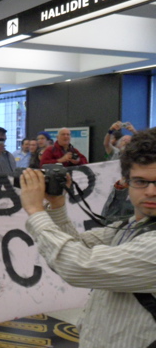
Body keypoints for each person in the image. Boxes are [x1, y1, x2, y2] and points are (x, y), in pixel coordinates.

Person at [19, 127, 156, 347]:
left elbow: (79, 266)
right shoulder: (130, 227)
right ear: (125, 182)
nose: (150, 191)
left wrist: (36, 212)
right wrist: (56, 205)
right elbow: (76, 248)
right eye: (140, 181)